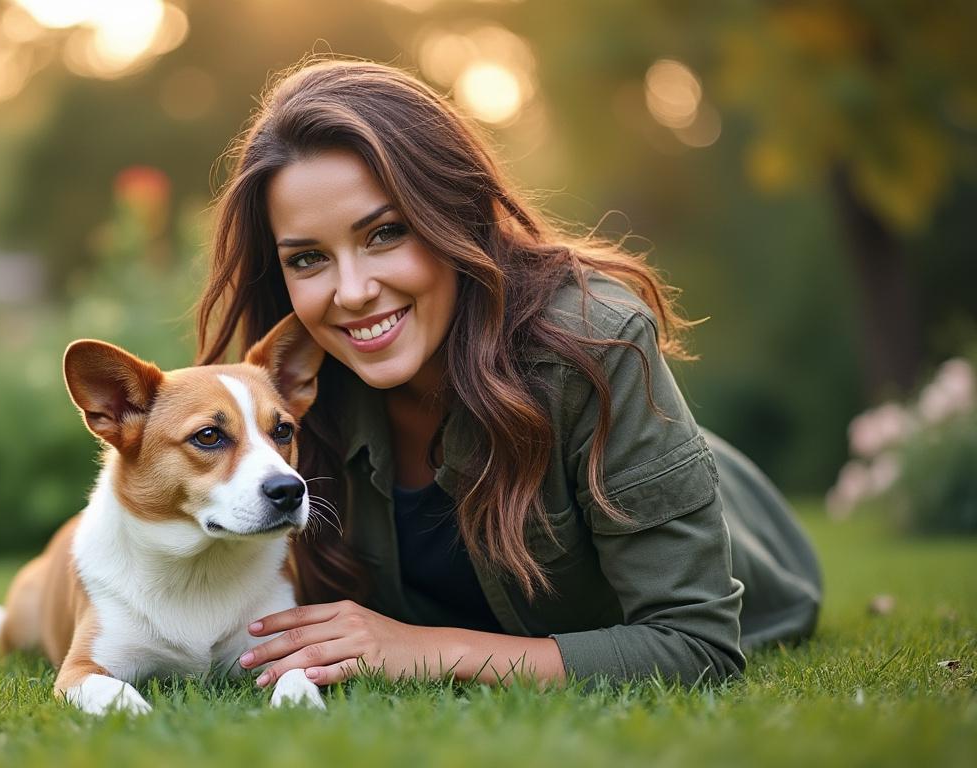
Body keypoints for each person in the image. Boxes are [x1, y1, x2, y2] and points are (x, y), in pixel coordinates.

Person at [195, 58, 821, 689]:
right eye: (307, 258)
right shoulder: (289, 392)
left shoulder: (596, 343)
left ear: (454, 215)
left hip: (749, 536)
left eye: (386, 233)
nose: (352, 292)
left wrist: (422, 649)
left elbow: (696, 646)